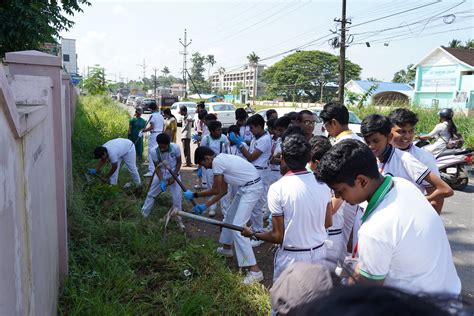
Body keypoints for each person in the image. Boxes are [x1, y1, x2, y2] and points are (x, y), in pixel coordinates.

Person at [314, 139, 461, 296]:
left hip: (419, 305)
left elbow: (367, 292)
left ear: (361, 181)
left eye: (339, 190)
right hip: (448, 294)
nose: (337, 197)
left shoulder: (376, 228)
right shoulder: (402, 184)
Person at [242, 133, 333, 283]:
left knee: (286, 304)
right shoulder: (323, 184)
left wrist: (253, 233)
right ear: (308, 158)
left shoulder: (278, 188)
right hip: (319, 253)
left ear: (282, 158)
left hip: (292, 257)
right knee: (314, 303)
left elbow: (277, 236)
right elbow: (328, 222)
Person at [184, 147, 265, 284]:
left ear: (208, 158)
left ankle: (255, 271)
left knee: (239, 228)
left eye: (204, 164)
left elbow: (215, 189)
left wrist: (195, 195)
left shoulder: (217, 163)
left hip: (252, 188)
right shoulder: (220, 161)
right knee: (229, 218)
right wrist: (206, 205)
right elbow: (222, 192)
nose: (206, 168)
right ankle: (227, 248)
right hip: (245, 187)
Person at [361, 114, 453, 214]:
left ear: (389, 137)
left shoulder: (406, 159)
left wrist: (415, 203)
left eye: (375, 141)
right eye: (367, 141)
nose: (371, 146)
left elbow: (445, 190)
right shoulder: (371, 157)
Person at [319, 102, 364, 254]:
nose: (326, 130)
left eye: (326, 126)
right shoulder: (358, 139)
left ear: (334, 123)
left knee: (341, 237)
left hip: (343, 197)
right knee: (349, 236)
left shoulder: (342, 145)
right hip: (358, 195)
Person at [388, 108, 444, 210]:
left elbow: (437, 194)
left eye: (411, 131)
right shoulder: (378, 153)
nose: (407, 136)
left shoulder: (424, 158)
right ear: (389, 131)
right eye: (401, 131)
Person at [230, 114, 272, 245]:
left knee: (257, 204)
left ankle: (258, 233)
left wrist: (240, 144)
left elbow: (251, 157)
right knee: (254, 204)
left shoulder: (265, 139)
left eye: (253, 128)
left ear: (259, 126)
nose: (251, 131)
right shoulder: (257, 137)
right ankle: (255, 228)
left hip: (261, 172)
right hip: (255, 171)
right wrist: (242, 143)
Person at [307, 136, 344, 270]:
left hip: (331, 234)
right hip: (315, 234)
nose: (309, 167)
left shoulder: (337, 177)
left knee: (327, 277)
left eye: (311, 163)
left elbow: (332, 208)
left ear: (317, 162)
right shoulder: (309, 175)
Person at [141, 133, 182, 217]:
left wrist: (174, 176)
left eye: (165, 147)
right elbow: (157, 167)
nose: (163, 149)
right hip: (162, 172)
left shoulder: (175, 148)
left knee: (177, 196)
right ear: (158, 143)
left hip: (174, 172)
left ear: (168, 143)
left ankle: (178, 217)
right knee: (151, 194)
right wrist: (161, 180)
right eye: (161, 147)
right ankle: (144, 214)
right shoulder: (154, 151)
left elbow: (179, 162)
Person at [200, 120, 230, 217]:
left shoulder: (224, 138)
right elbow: (201, 152)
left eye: (220, 129)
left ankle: (225, 211)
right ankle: (212, 208)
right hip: (209, 168)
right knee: (211, 187)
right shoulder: (206, 139)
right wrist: (200, 167)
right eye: (217, 130)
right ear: (212, 131)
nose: (220, 132)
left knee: (223, 189)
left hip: (221, 167)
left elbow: (228, 152)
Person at [142, 101, 164, 177]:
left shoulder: (152, 116)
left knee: (151, 152)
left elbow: (152, 127)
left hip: (154, 134)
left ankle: (152, 170)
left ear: (151, 109)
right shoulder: (160, 115)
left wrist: (144, 130)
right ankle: (160, 169)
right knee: (159, 152)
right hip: (160, 133)